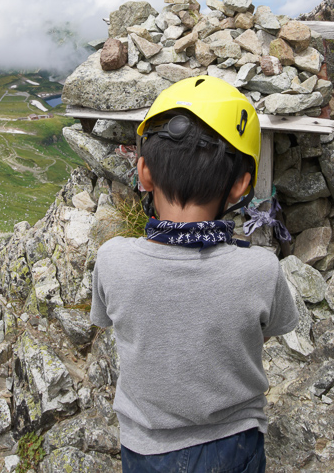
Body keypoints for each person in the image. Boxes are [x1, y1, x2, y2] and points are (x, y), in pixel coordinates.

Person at [91, 75, 299, 473]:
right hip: (235, 444)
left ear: (144, 173)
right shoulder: (260, 269)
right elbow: (270, 328)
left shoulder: (112, 259)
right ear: (241, 185)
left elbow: (108, 320)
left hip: (145, 448)